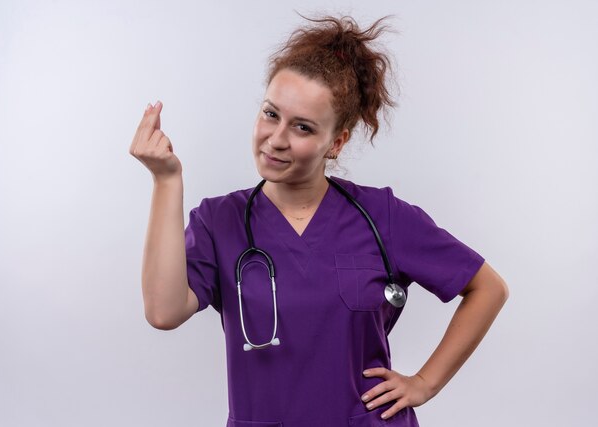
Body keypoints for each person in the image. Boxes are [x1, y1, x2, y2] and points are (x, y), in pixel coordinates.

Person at [129, 15, 508, 427]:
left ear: (337, 142)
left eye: (303, 127)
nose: (276, 139)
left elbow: (487, 288)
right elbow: (163, 312)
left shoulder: (383, 216)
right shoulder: (219, 222)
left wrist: (424, 383)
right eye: (271, 114)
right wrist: (166, 180)